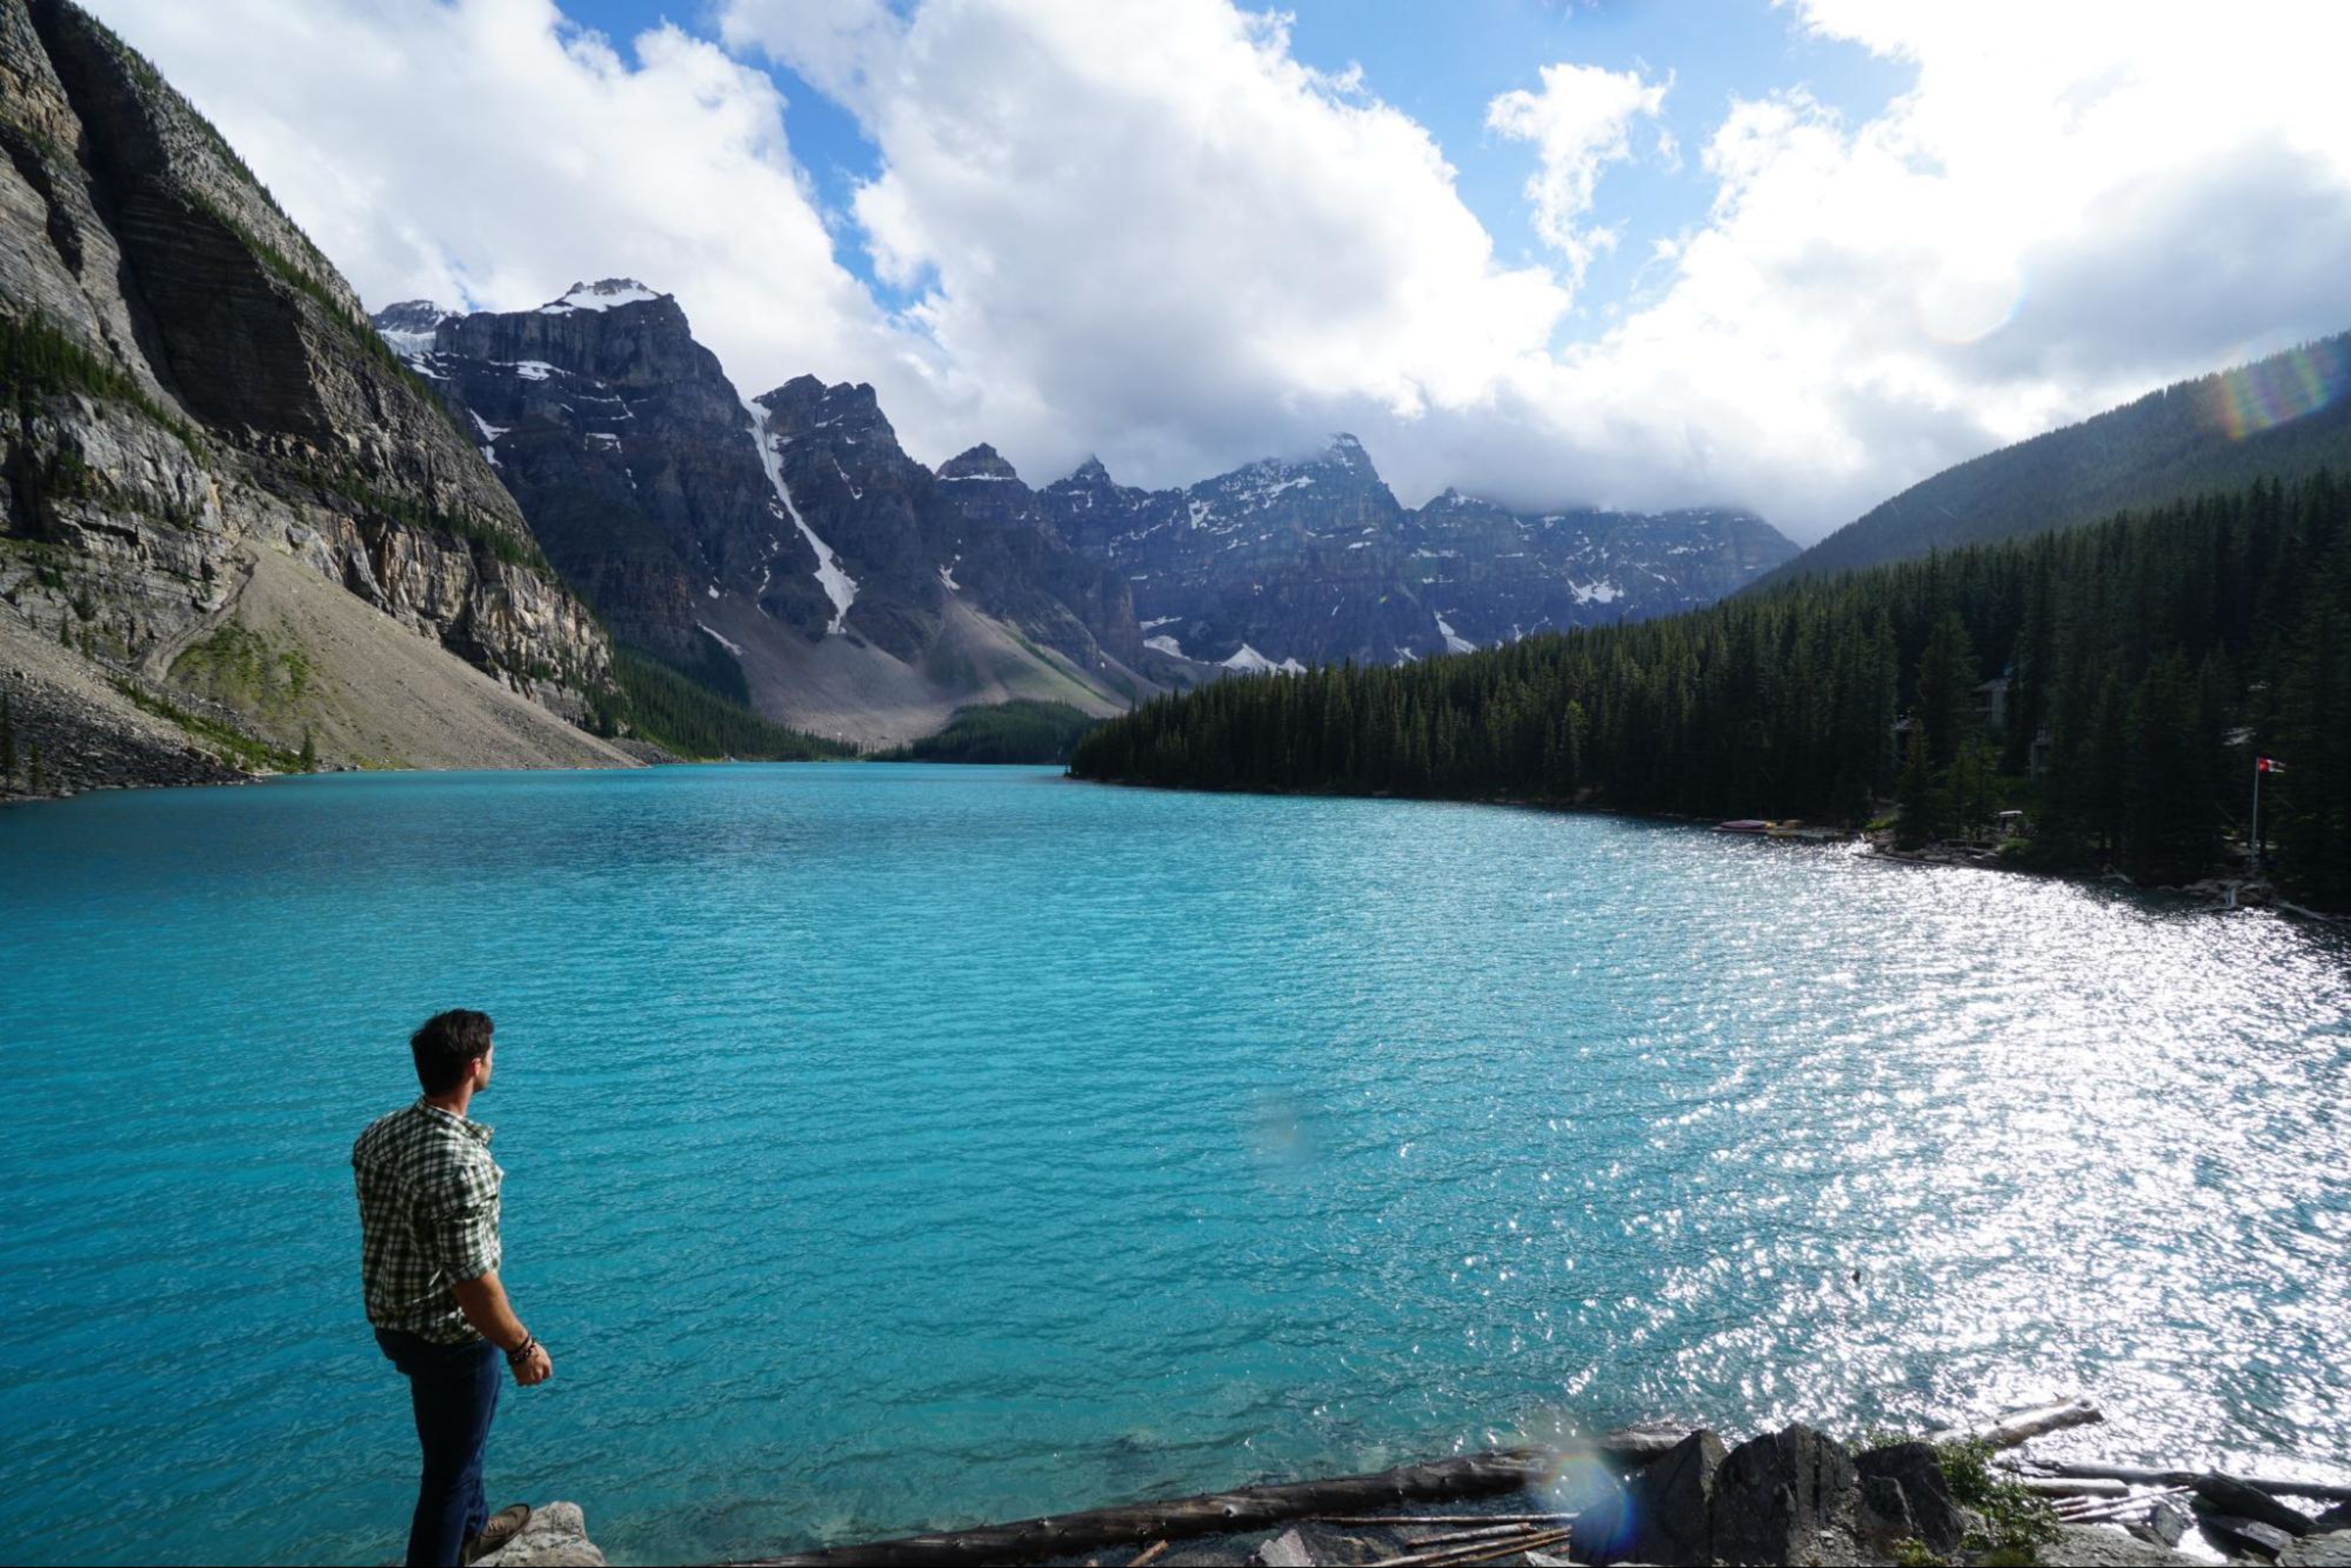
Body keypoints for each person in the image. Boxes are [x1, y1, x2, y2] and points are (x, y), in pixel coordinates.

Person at [353, 1009, 554, 1566]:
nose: (494, 1060)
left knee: (461, 1447)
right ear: (474, 1067)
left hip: (393, 1320)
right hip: (450, 1338)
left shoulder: (380, 1133)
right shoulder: (465, 1165)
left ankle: (474, 1530)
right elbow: (472, 1283)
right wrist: (522, 1346)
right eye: (491, 1053)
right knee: (449, 1471)